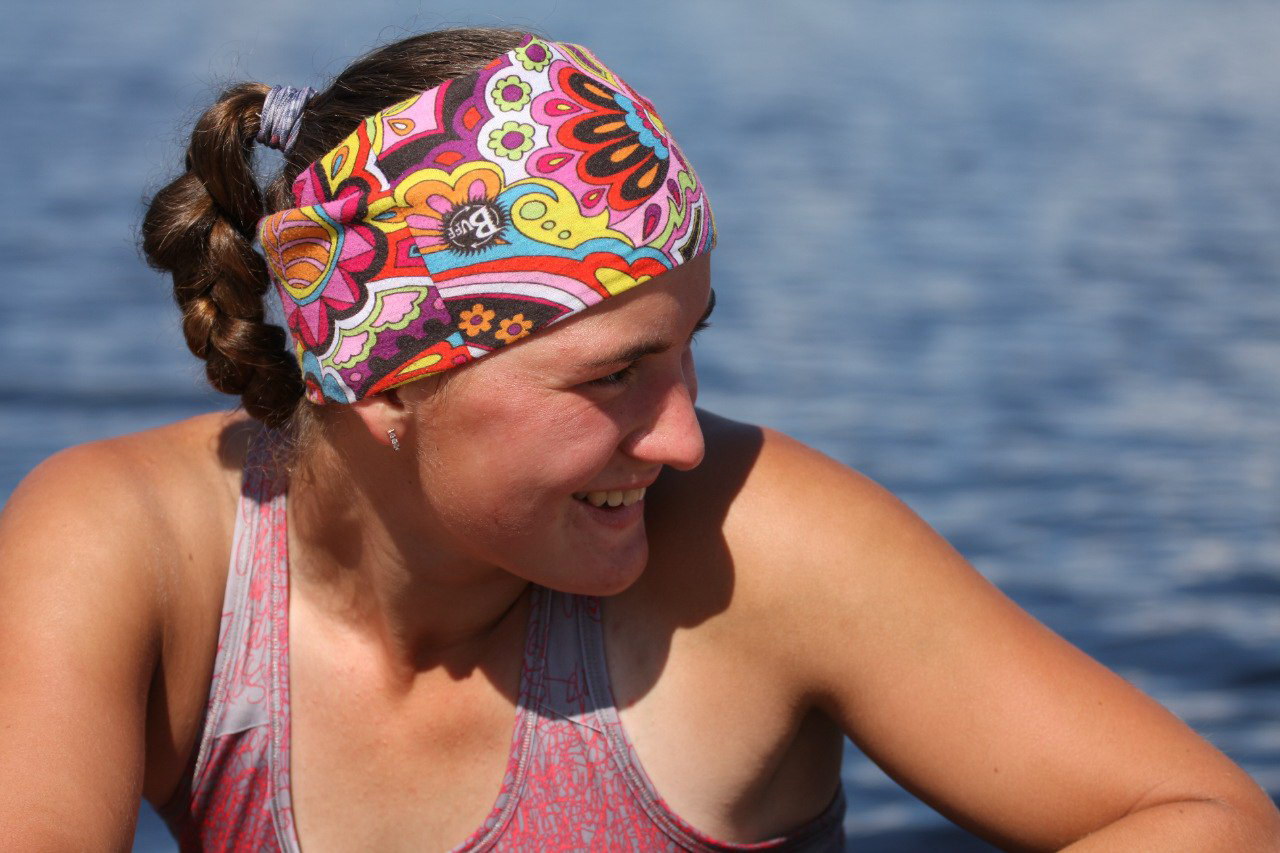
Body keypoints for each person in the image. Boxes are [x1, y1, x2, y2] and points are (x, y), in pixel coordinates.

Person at [1, 26, 1276, 853]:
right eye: (612, 375)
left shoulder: (764, 549)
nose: (680, 439)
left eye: (685, 348)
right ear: (383, 383)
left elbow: (1207, 817)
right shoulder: (133, 549)